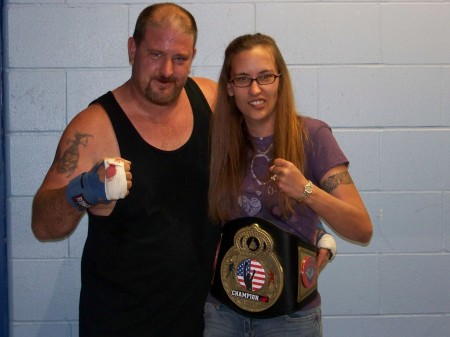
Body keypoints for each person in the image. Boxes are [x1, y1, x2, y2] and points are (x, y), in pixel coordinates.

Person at [31, 3, 220, 336]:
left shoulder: (209, 98)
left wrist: (307, 232)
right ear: (133, 49)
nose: (166, 71)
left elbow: (260, 163)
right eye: (155, 54)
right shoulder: (94, 127)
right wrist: (83, 190)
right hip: (121, 323)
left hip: (199, 322)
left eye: (179, 59)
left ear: (193, 56)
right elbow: (44, 226)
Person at [205, 33, 373, 337]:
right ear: (229, 88)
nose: (255, 89)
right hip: (223, 313)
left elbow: (362, 229)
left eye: (265, 76)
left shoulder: (312, 136)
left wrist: (306, 190)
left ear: (280, 80)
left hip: (290, 320)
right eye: (242, 79)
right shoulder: (219, 141)